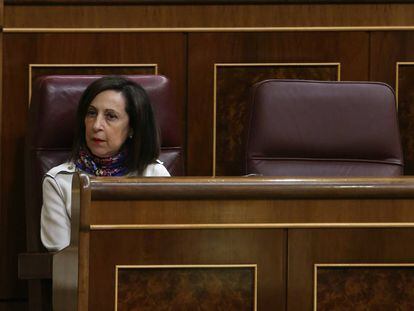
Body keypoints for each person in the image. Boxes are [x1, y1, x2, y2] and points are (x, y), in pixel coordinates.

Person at [41, 76, 170, 251]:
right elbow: (62, 256)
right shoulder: (59, 181)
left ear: (132, 128)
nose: (96, 126)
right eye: (91, 113)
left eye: (110, 116)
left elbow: (166, 246)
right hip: (83, 276)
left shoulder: (155, 175)